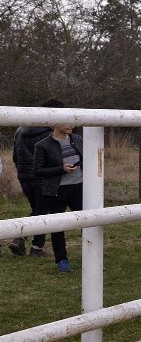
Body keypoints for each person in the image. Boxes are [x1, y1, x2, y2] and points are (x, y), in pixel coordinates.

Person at [9, 99, 65, 257]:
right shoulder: (48, 134)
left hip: (24, 176)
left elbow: (15, 156)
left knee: (37, 210)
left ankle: (20, 239)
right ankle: (35, 247)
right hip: (42, 178)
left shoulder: (20, 129)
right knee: (42, 212)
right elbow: (52, 158)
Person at [33, 119, 84, 273]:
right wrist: (60, 169)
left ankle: (93, 258)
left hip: (79, 189)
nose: (71, 125)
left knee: (88, 224)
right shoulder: (42, 145)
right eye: (66, 122)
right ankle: (62, 260)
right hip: (57, 191)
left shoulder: (78, 139)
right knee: (58, 227)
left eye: (72, 122)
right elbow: (38, 171)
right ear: (54, 124)